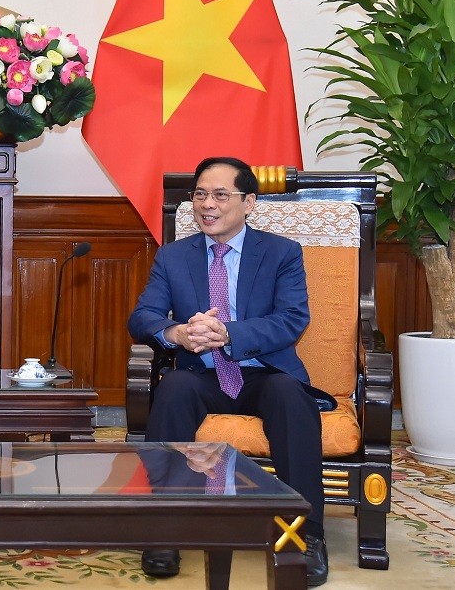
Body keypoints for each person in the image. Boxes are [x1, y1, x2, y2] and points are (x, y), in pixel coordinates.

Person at [128, 157, 329, 587]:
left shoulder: (280, 253)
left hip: (263, 371)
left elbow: (292, 318)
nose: (207, 204)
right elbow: (142, 316)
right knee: (174, 388)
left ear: (249, 202)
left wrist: (228, 334)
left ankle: (303, 536)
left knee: (291, 398)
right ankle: (163, 532)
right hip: (201, 373)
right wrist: (178, 333)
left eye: (221, 195)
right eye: (200, 194)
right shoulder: (174, 256)